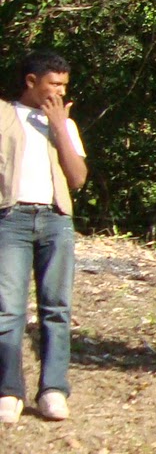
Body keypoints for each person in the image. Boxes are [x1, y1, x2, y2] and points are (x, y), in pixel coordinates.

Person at [0, 50, 88, 424]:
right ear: (31, 81)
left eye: (64, 85)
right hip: (10, 219)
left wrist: (59, 127)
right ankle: (8, 391)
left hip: (55, 219)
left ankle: (53, 389)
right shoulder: (4, 115)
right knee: (8, 310)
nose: (59, 91)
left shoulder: (64, 123)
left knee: (57, 309)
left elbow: (77, 178)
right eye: (53, 84)